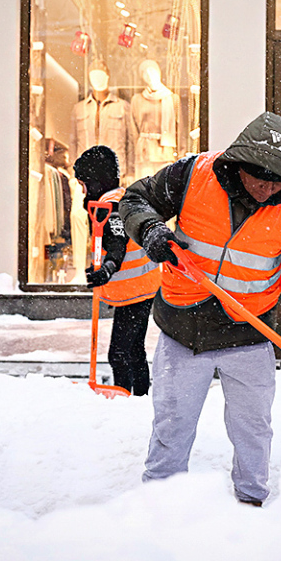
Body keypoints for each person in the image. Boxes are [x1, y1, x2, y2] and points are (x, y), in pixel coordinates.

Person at [120, 111, 281, 506]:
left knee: (253, 428)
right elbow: (136, 199)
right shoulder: (192, 174)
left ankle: (251, 500)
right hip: (183, 327)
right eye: (259, 179)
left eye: (276, 182)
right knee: (172, 423)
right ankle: (159, 502)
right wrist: (150, 228)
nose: (266, 189)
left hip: (250, 333)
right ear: (240, 164)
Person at [75, 145, 159, 396]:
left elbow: (117, 242)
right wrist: (101, 266)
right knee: (134, 350)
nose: (83, 191)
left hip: (133, 290)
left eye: (83, 184)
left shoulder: (110, 207)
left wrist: (108, 268)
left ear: (95, 181)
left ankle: (123, 398)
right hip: (143, 286)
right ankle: (140, 396)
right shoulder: (123, 197)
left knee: (119, 353)